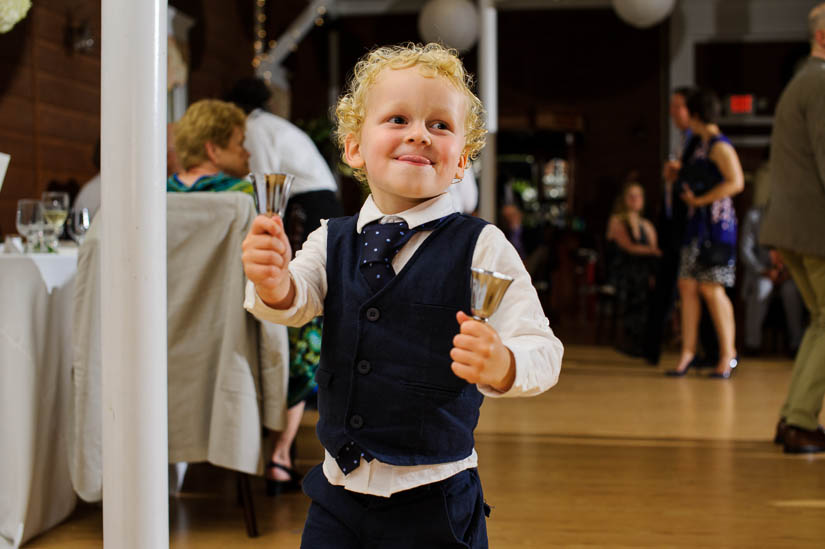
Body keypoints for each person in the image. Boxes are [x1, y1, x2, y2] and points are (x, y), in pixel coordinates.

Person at [241, 43, 563, 547]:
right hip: (336, 495)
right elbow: (295, 298)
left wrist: (503, 364)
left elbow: (543, 349)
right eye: (397, 118)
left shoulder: (482, 245)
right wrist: (272, 281)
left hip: (433, 501)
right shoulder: (331, 238)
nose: (419, 133)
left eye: (440, 125)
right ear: (353, 148)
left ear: (461, 161)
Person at [225, 77, 344, 495]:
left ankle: (284, 435)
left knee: (303, 298)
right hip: (316, 202)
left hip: (308, 209)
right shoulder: (273, 124)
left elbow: (267, 184)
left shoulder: (256, 128)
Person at [760, 3, 825, 454]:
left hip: (793, 227)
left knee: (821, 322)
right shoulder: (821, 82)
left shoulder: (799, 82)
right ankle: (800, 421)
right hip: (815, 228)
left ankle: (793, 417)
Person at [666, 88, 744, 379]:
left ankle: (728, 355)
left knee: (713, 289)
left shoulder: (719, 146)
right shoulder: (699, 143)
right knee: (687, 286)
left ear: (695, 114)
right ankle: (687, 353)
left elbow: (736, 182)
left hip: (716, 228)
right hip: (695, 227)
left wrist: (700, 200)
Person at [645, 86, 719, 366]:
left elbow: (730, 181)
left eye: (679, 107)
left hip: (694, 228)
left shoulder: (708, 143)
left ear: (694, 112)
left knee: (704, 289)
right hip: (676, 226)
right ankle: (678, 351)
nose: (673, 112)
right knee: (685, 289)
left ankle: (715, 354)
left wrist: (685, 184)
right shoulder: (687, 141)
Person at [739, 164, 804, 356]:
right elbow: (745, 250)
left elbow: (799, 249)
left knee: (792, 292)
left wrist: (787, 271)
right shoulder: (754, 216)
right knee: (761, 289)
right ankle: (753, 344)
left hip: (789, 274)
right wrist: (764, 270)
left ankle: (796, 344)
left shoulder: (793, 219)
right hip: (760, 272)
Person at [605, 181, 661, 356]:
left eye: (639, 196)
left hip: (642, 272)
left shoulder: (647, 225)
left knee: (649, 283)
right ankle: (632, 340)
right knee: (637, 283)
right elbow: (628, 247)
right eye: (631, 195)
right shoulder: (616, 221)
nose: (635, 199)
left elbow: (654, 250)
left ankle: (645, 340)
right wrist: (652, 251)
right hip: (623, 272)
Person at [167, 99, 253, 195]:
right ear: (213, 150)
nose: (248, 153)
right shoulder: (240, 190)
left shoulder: (163, 191)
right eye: (240, 144)